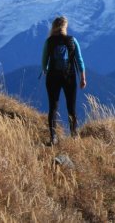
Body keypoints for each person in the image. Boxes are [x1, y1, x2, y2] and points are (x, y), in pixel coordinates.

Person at [41, 16, 87, 145]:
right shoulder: (72, 40)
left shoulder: (49, 41)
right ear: (65, 27)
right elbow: (80, 60)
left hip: (52, 78)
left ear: (54, 27)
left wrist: (48, 71)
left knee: (53, 108)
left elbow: (44, 64)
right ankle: (74, 135)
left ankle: (53, 137)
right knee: (71, 108)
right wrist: (83, 78)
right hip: (69, 77)